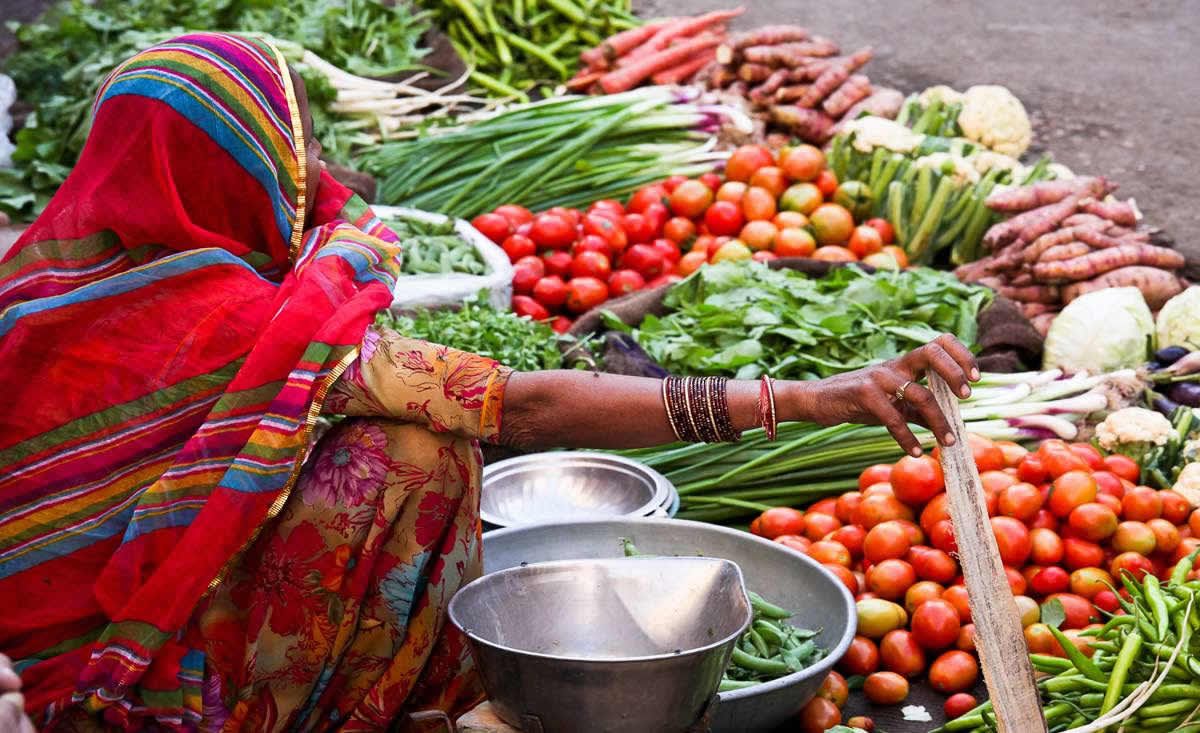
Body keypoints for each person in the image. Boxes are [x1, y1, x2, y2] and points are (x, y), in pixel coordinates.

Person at [0, 33, 978, 732]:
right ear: (242, 171)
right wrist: (808, 398)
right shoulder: (238, 323)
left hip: (51, 661)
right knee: (412, 450)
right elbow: (524, 403)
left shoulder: (31, 293)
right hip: (137, 687)